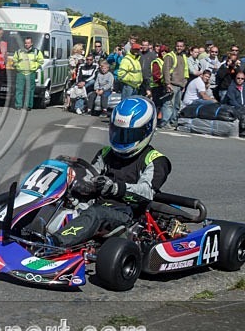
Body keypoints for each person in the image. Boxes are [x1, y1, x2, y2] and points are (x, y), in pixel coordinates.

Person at [51, 96, 171, 247]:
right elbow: (91, 176)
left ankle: (53, 244)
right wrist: (75, 181)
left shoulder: (155, 160)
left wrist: (116, 188)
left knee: (97, 213)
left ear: (145, 130)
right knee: (59, 197)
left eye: (129, 134)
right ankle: (23, 228)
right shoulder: (106, 152)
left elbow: (147, 193)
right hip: (97, 204)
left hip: (126, 215)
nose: (122, 139)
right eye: (118, 132)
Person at [11, 36, 44, 110]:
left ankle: (28, 105)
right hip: (20, 73)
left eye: (28, 43)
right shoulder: (19, 51)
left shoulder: (36, 52)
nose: (27, 44)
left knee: (30, 90)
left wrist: (35, 67)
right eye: (26, 43)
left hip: (31, 73)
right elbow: (14, 60)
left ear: (31, 43)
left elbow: (41, 61)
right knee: (19, 89)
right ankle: (18, 105)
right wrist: (18, 66)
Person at [160, 40, 188, 128]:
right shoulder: (170, 56)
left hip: (180, 85)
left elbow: (185, 71)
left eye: (181, 46)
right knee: (168, 104)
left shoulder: (183, 57)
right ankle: (165, 122)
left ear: (183, 47)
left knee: (177, 105)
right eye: (177, 46)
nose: (179, 48)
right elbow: (166, 70)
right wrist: (167, 83)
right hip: (172, 84)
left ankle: (173, 121)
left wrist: (184, 84)